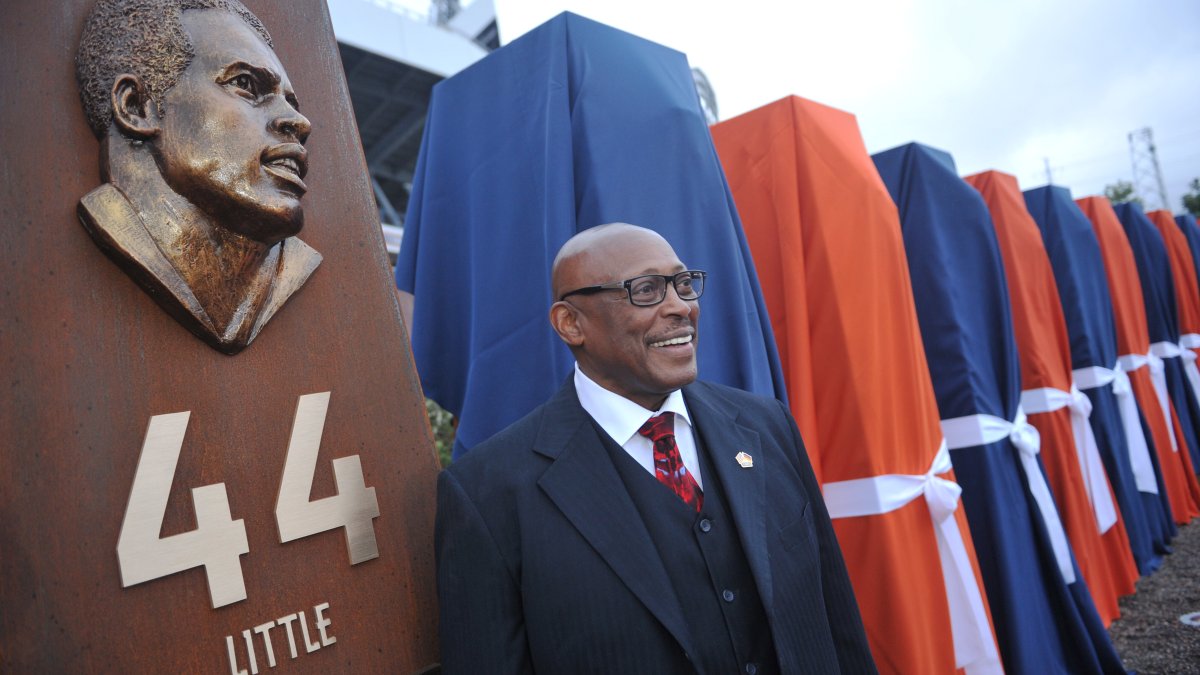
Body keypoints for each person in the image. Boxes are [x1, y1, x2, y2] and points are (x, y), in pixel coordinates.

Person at [435, 223, 877, 674]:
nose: (681, 307)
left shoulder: (767, 426)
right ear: (571, 324)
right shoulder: (488, 492)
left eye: (683, 284)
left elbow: (835, 618)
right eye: (646, 290)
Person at [75, 0, 321, 355]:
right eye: (247, 84)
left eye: (290, 103)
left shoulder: (291, 268)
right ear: (137, 107)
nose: (300, 123)